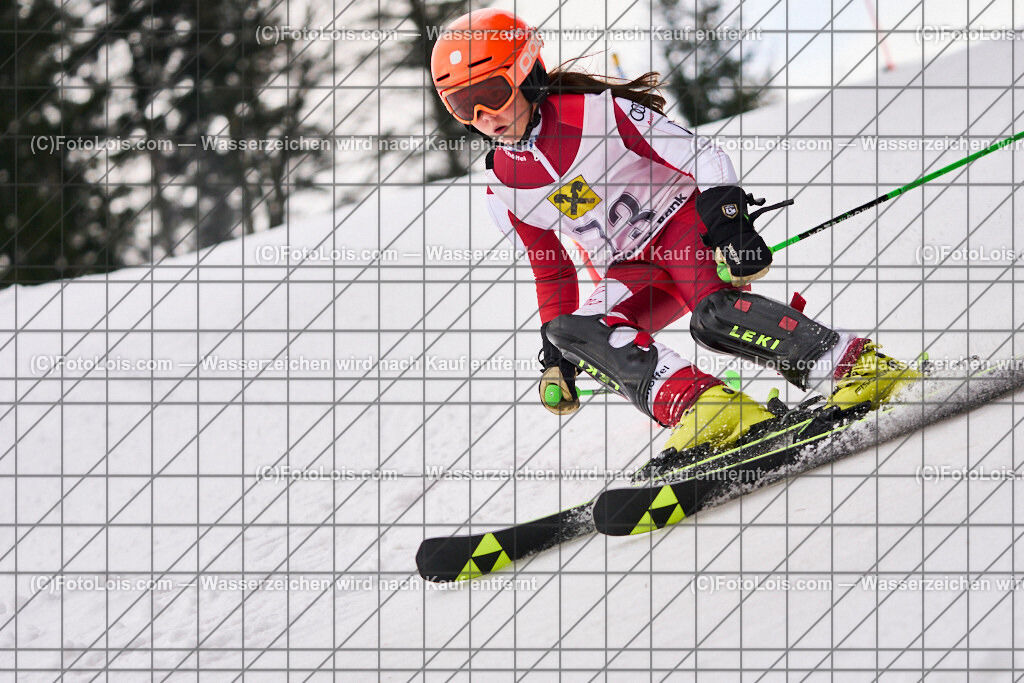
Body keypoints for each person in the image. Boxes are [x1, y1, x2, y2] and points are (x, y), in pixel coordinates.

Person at [429, 9, 919, 455]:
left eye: (490, 94)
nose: (482, 117)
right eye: (461, 105)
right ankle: (707, 409)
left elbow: (704, 156)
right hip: (633, 270)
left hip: (684, 229)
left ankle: (853, 365)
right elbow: (553, 273)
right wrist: (557, 359)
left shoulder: (599, 112)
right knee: (572, 331)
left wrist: (730, 224)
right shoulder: (502, 189)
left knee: (714, 319)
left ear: (527, 72)